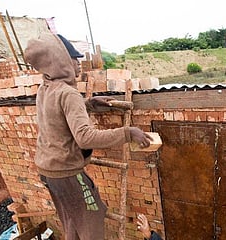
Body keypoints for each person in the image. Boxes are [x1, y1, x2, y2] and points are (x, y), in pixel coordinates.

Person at [24, 33, 153, 240]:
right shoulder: (68, 93)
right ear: (60, 61)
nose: (79, 64)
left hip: (48, 170)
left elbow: (56, 114)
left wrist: (89, 104)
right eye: (73, 59)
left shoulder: (45, 88)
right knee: (92, 218)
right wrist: (129, 133)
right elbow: (85, 137)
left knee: (72, 220)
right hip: (66, 173)